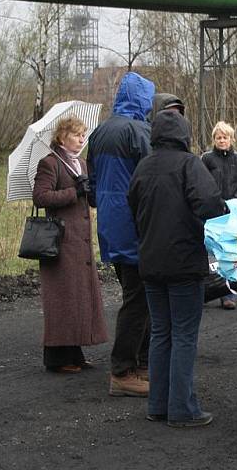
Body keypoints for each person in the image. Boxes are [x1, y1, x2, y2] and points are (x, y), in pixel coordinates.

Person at [128, 110, 227, 428]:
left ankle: (158, 404)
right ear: (183, 134)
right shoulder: (189, 164)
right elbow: (210, 203)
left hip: (151, 262)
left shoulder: (143, 166)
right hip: (184, 262)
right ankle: (183, 408)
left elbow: (132, 206)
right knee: (184, 335)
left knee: (161, 332)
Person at [86, 71, 155, 397]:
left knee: (136, 294)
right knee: (140, 299)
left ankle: (138, 365)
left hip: (110, 225)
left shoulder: (99, 132)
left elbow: (93, 185)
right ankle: (124, 370)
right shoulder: (139, 130)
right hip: (135, 224)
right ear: (143, 100)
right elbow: (153, 179)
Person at [32, 116, 108, 373]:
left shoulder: (82, 165)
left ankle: (75, 353)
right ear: (62, 136)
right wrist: (73, 192)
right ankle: (56, 358)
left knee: (79, 297)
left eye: (83, 134)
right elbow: (41, 197)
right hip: (61, 242)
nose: (81, 139)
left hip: (82, 242)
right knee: (62, 298)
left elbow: (92, 199)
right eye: (76, 134)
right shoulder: (50, 163)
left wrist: (92, 190)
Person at [201, 120, 237, 310]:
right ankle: (207, 290)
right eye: (218, 137)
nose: (222, 140)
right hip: (212, 213)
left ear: (231, 139)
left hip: (233, 213)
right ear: (214, 139)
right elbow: (200, 183)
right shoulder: (206, 158)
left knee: (230, 253)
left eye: (225, 137)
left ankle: (228, 293)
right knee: (209, 254)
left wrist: (235, 203)